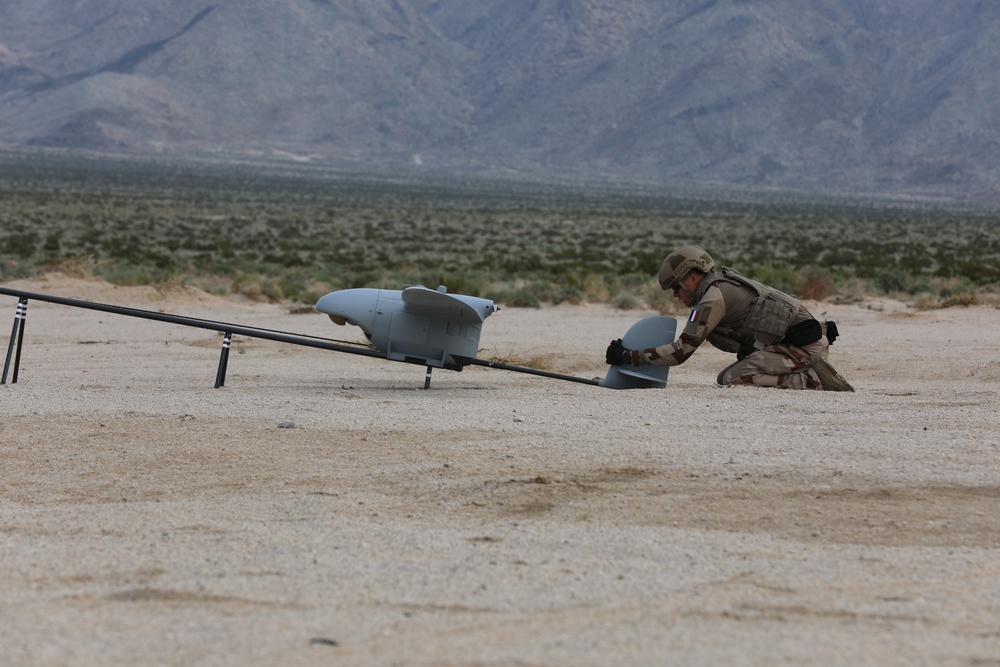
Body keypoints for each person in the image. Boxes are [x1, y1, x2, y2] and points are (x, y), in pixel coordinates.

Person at [605, 245, 853, 390]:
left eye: (676, 288)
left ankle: (813, 380)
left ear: (692, 278)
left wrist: (629, 357)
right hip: (800, 344)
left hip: (805, 348)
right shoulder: (718, 289)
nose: (675, 295)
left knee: (731, 378)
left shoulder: (712, 300)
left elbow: (681, 352)